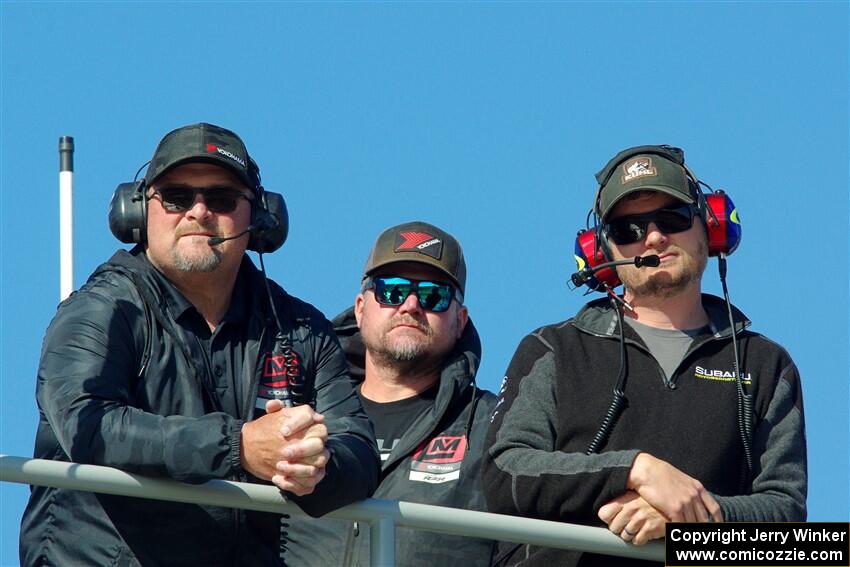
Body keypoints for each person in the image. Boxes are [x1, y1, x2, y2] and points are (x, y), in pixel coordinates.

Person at [20, 123, 380, 566]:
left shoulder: (302, 327)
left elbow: (359, 451)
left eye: (222, 199)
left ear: (261, 219)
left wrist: (314, 466)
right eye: (176, 197)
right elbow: (87, 425)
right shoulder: (99, 309)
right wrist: (240, 447)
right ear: (138, 210)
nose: (198, 212)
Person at [482, 145, 807, 566]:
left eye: (672, 218)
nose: (653, 237)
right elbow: (505, 472)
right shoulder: (552, 350)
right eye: (627, 230)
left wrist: (687, 526)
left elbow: (793, 527)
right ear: (602, 251)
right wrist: (636, 470)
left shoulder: (766, 364)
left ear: (710, 225)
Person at [283, 221, 497, 566]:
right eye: (392, 290)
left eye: (433, 295)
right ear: (360, 308)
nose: (411, 305)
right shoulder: (301, 413)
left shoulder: (492, 424)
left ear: (460, 321)